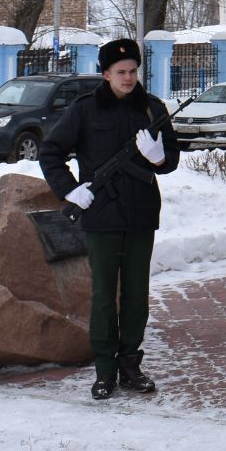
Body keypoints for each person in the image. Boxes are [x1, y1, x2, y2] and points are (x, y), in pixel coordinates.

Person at [39, 37, 181, 400]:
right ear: (105, 74)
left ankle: (131, 365)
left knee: (137, 295)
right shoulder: (85, 110)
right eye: (121, 72)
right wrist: (69, 190)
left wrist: (158, 157)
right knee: (104, 295)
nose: (129, 78)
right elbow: (51, 151)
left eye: (133, 71)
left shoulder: (152, 109)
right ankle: (105, 369)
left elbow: (171, 162)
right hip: (100, 216)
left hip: (141, 214)